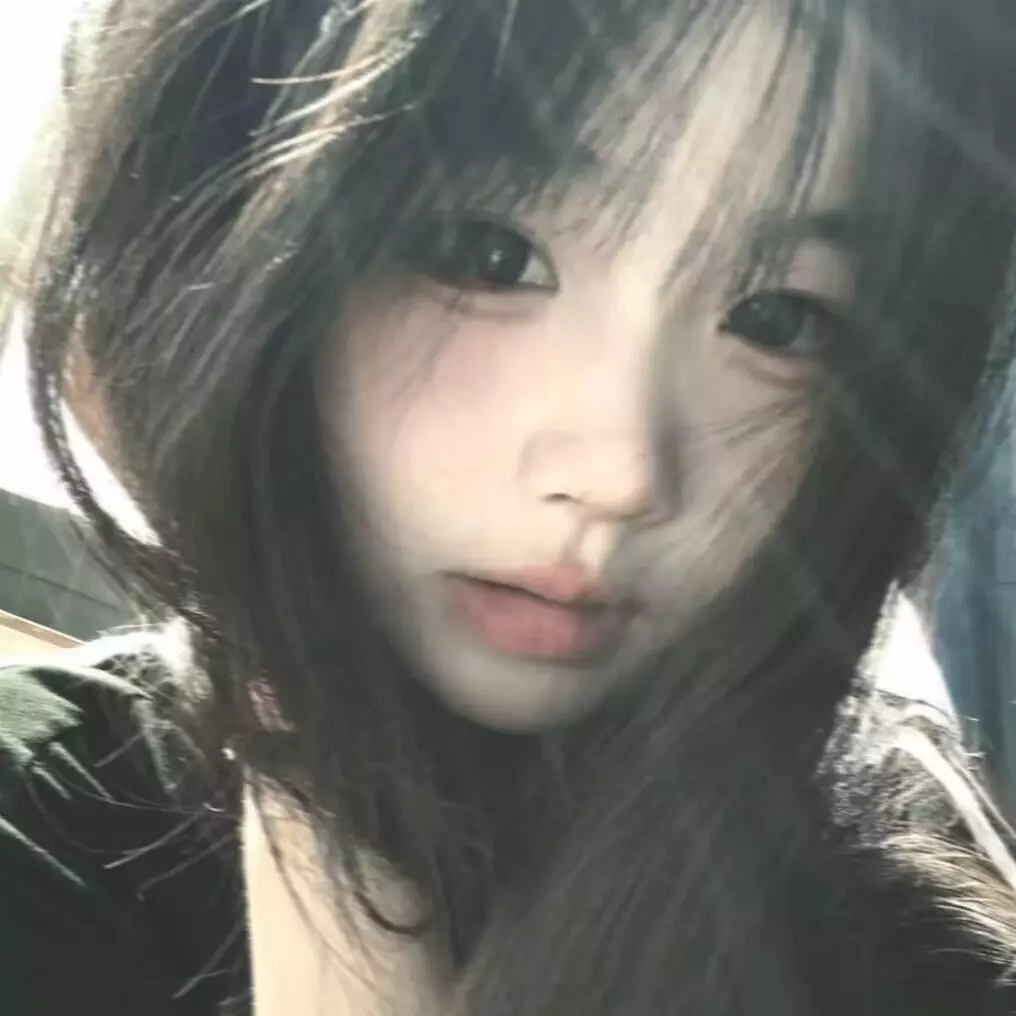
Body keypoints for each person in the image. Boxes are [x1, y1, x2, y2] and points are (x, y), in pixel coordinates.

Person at [4, 0, 1016, 1013]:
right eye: (486, 254)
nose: (622, 476)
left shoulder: (904, 875)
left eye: (777, 319)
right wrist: (307, 753)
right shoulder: (41, 820)